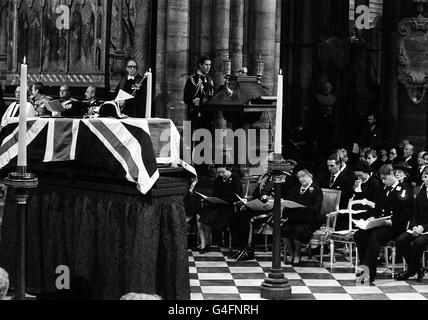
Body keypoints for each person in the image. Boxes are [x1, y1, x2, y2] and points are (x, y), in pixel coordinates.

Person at [353, 164, 413, 283]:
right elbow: (377, 207)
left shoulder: (404, 189)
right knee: (359, 235)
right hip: (381, 223)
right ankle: (371, 269)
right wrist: (372, 217)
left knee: (375, 236)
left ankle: (366, 268)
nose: (383, 181)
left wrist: (392, 221)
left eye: (385, 178)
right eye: (382, 179)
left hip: (394, 226)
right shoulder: (383, 189)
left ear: (392, 174)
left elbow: (407, 213)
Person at [282, 164, 323, 265]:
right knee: (283, 229)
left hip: (309, 220)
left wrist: (304, 208)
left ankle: (297, 253)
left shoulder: (316, 189)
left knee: (299, 230)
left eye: (303, 176)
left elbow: (317, 207)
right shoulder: (296, 189)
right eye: (299, 177)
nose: (301, 179)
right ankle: (291, 252)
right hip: (295, 218)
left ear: (310, 175)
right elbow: (290, 201)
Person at [196, 164, 243, 254]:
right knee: (200, 214)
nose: (221, 174)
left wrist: (222, 200)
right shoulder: (218, 180)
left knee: (207, 216)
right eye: (219, 172)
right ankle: (204, 242)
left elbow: (237, 198)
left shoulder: (235, 180)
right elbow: (215, 194)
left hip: (228, 208)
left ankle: (207, 243)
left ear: (229, 169)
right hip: (217, 205)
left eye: (222, 172)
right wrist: (209, 199)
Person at [394, 167, 428, 281]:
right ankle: (417, 269)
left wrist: (422, 227)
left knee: (418, 242)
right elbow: (414, 214)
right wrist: (414, 225)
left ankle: (411, 270)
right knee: (400, 240)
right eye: (424, 176)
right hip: (417, 227)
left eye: (427, 176)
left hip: (426, 229)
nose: (426, 179)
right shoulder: (421, 194)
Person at [320, 153, 354, 230]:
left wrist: (338, 212)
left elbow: (346, 201)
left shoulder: (346, 181)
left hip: (339, 216)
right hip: (324, 214)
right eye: (328, 166)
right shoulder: (324, 179)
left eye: (332, 166)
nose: (329, 168)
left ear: (339, 165)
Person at [183, 55, 214, 128]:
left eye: (210, 65)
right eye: (206, 65)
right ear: (200, 65)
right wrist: (201, 101)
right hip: (197, 113)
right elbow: (186, 98)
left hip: (208, 114)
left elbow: (212, 94)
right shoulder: (192, 79)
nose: (208, 67)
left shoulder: (210, 79)